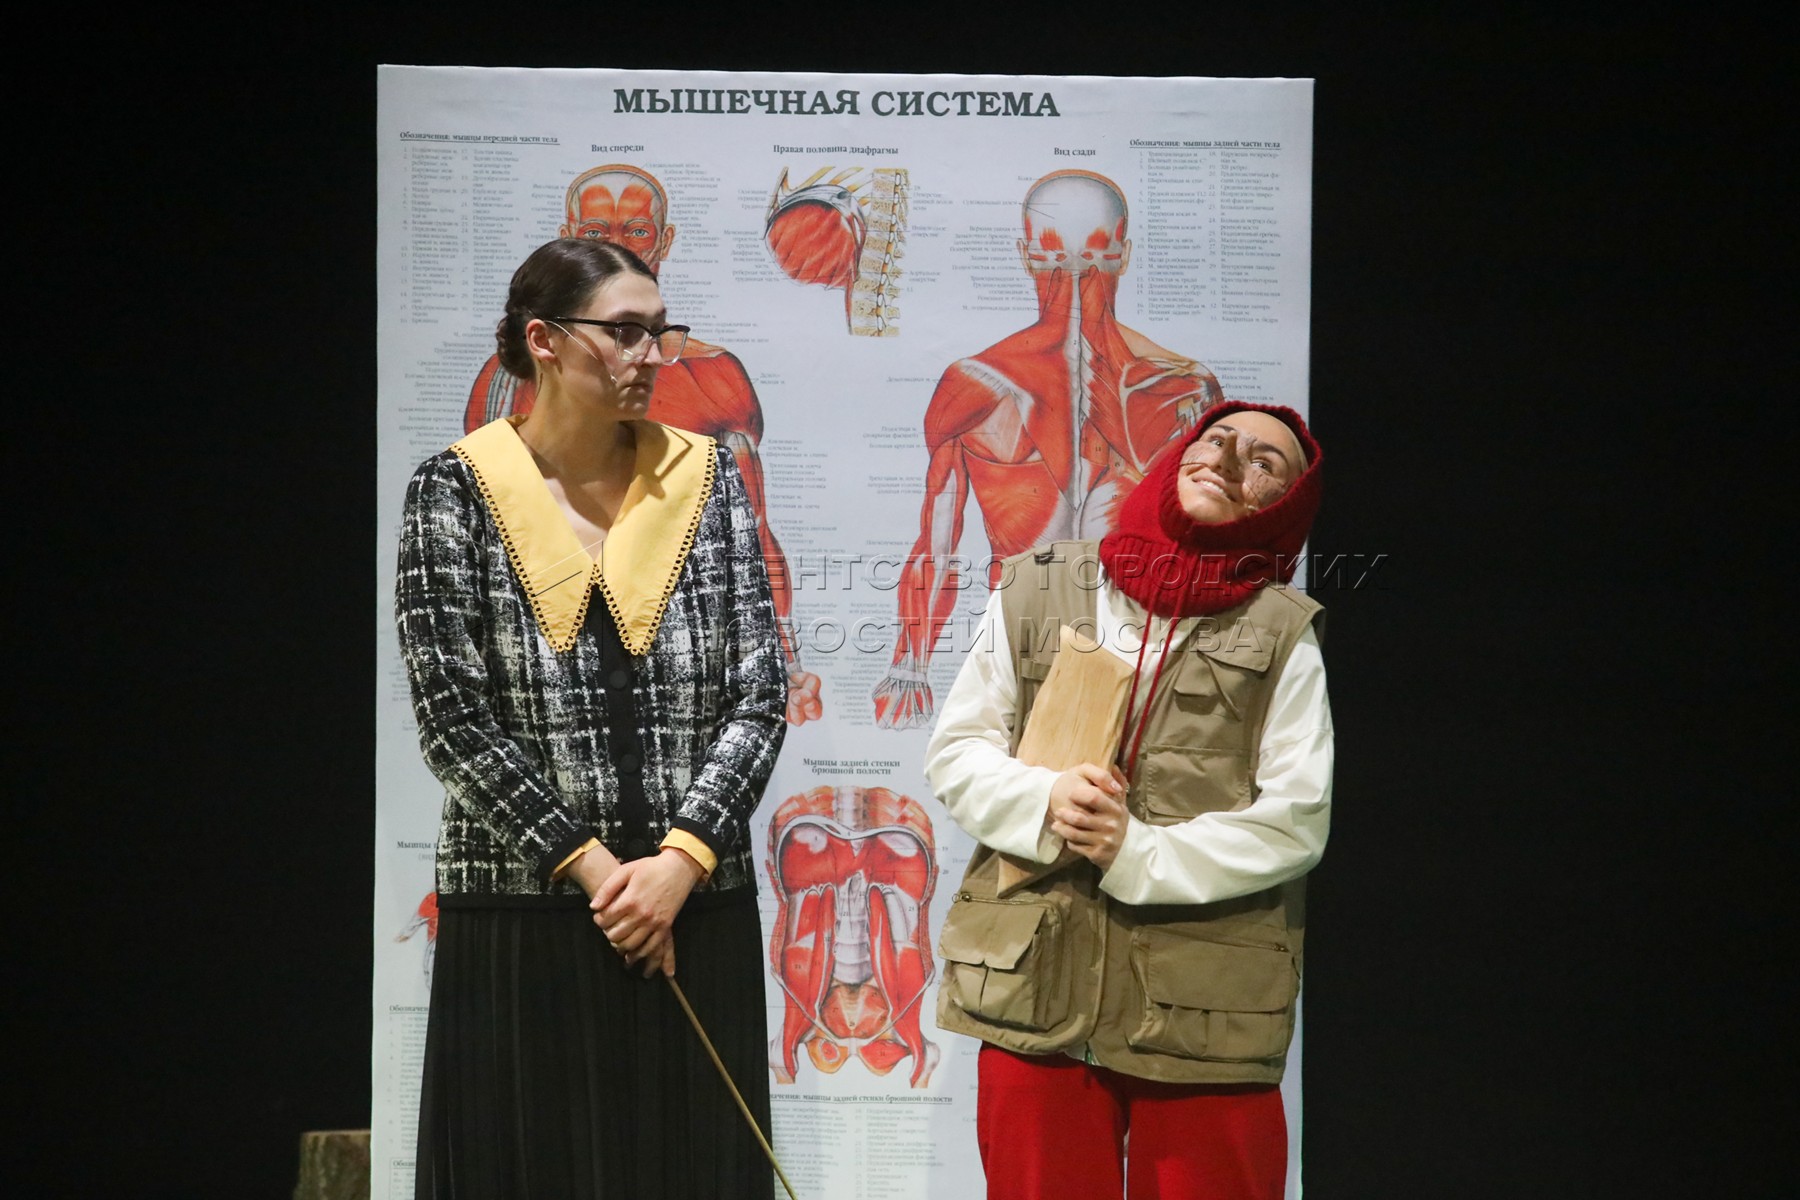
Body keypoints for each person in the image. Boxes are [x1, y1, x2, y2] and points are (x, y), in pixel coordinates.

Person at [396, 236, 787, 1199]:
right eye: (624, 332)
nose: (651, 356)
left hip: (694, 906)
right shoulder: (453, 491)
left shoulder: (707, 478)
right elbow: (452, 718)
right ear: (544, 340)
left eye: (660, 332)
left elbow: (760, 694)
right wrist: (606, 876)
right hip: (525, 913)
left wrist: (679, 863)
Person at [924, 401, 1330, 1200]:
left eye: (1265, 462)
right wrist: (1046, 799)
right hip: (1035, 988)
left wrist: (1138, 851)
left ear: (1284, 507)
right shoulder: (1040, 585)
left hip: (1204, 1004)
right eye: (1217, 439)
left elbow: (1296, 820)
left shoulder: (1284, 631)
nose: (1229, 459)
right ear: (1180, 454)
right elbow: (958, 749)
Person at [465, 163, 823, 725]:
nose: (616, 245)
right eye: (595, 231)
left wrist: (785, 658)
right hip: (546, 683)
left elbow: (753, 533)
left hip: (678, 682)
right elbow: (486, 552)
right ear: (570, 234)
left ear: (664, 240)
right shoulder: (504, 386)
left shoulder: (712, 376)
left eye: (636, 230)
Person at [873, 169, 1225, 729]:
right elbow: (937, 545)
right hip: (1054, 659)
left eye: (1090, 257)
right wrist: (908, 663)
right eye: (1063, 258)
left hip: (1101, 659)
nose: (1077, 275)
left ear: (1025, 254)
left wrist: (911, 664)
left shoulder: (976, 385)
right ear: (1126, 253)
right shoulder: (1185, 387)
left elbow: (937, 544)